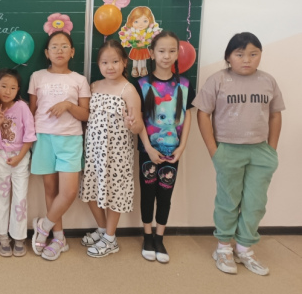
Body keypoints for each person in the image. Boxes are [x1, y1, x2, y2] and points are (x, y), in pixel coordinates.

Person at [194, 32, 284, 276]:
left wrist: (271, 149)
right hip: (228, 150)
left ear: (260, 55)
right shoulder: (218, 80)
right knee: (228, 201)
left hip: (260, 151)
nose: (247, 59)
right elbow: (203, 113)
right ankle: (223, 247)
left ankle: (244, 248)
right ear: (228, 57)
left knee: (256, 202)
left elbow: (275, 114)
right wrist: (214, 150)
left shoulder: (268, 81)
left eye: (253, 54)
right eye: (240, 54)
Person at [29, 31, 91, 261]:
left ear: (72, 52)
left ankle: (43, 226)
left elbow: (85, 115)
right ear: (47, 53)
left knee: (69, 192)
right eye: (54, 46)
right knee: (51, 191)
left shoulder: (79, 80)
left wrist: (68, 105)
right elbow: (32, 111)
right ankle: (58, 238)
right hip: (44, 137)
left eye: (64, 46)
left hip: (70, 139)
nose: (59, 50)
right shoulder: (37, 77)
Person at [135, 31, 194, 263]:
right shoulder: (141, 84)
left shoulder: (185, 84)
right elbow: (139, 119)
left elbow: (187, 117)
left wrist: (182, 147)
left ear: (177, 54)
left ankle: (160, 237)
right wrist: (148, 148)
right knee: (147, 193)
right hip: (148, 151)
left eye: (171, 51)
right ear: (152, 53)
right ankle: (147, 236)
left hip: (173, 151)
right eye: (161, 51)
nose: (166, 56)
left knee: (165, 195)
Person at [79, 40, 142, 258]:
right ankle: (103, 230)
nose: (110, 67)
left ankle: (111, 238)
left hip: (117, 154)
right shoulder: (94, 86)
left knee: (114, 193)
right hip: (94, 151)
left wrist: (131, 124)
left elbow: (138, 126)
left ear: (124, 62)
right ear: (98, 65)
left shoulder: (129, 90)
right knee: (91, 191)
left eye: (115, 61)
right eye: (105, 62)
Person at [0, 69, 36, 257]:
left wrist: (20, 157)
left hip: (20, 157)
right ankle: (2, 236)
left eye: (13, 88)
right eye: (3, 86)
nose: (7, 91)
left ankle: (19, 237)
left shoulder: (22, 107)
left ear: (18, 90)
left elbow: (29, 136)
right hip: (1, 156)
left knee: (20, 197)